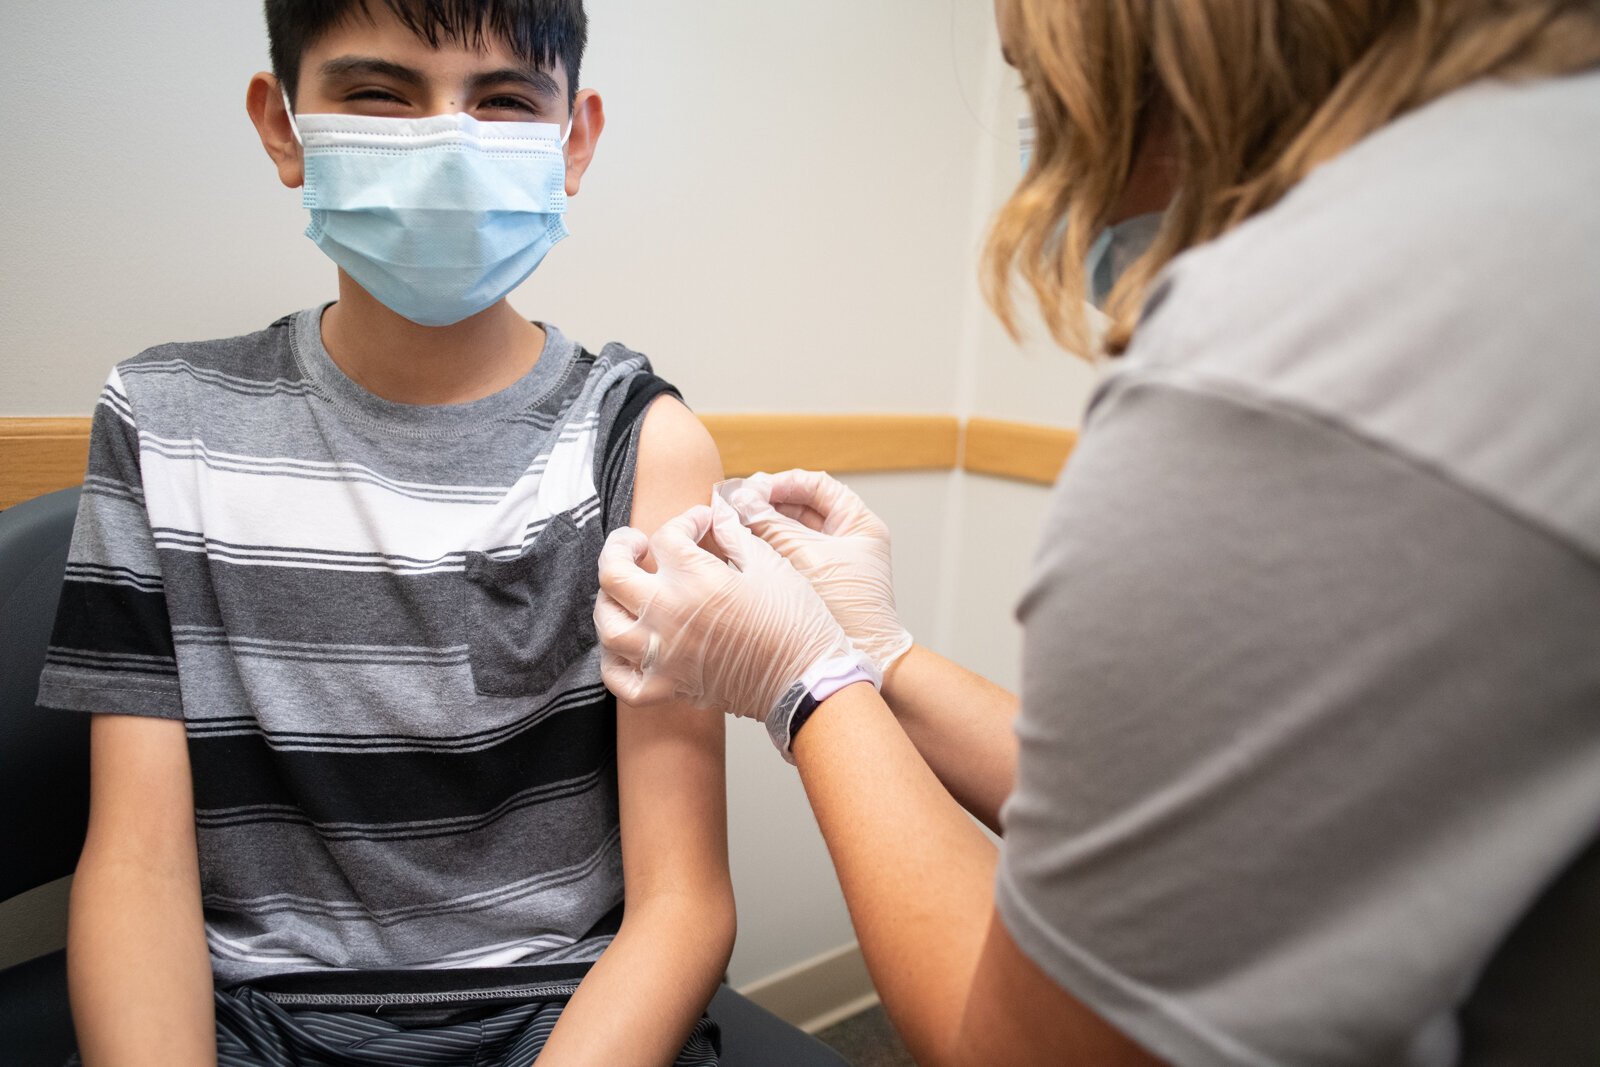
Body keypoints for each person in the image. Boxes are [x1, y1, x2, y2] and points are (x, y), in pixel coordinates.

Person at [593, 1, 1600, 1064]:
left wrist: (803, 681)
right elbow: (1196, 842)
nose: (1048, 164)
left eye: (1038, 86)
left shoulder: (1296, 367)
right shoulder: (1530, 192)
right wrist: (876, 653)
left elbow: (1029, 1050)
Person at [39, 2, 734, 1064]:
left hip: (562, 1010)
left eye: (503, 100)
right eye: (379, 95)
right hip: (253, 1016)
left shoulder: (641, 444)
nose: (447, 144)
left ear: (573, 140)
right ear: (283, 126)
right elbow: (137, 865)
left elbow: (682, 900)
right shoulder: (160, 418)